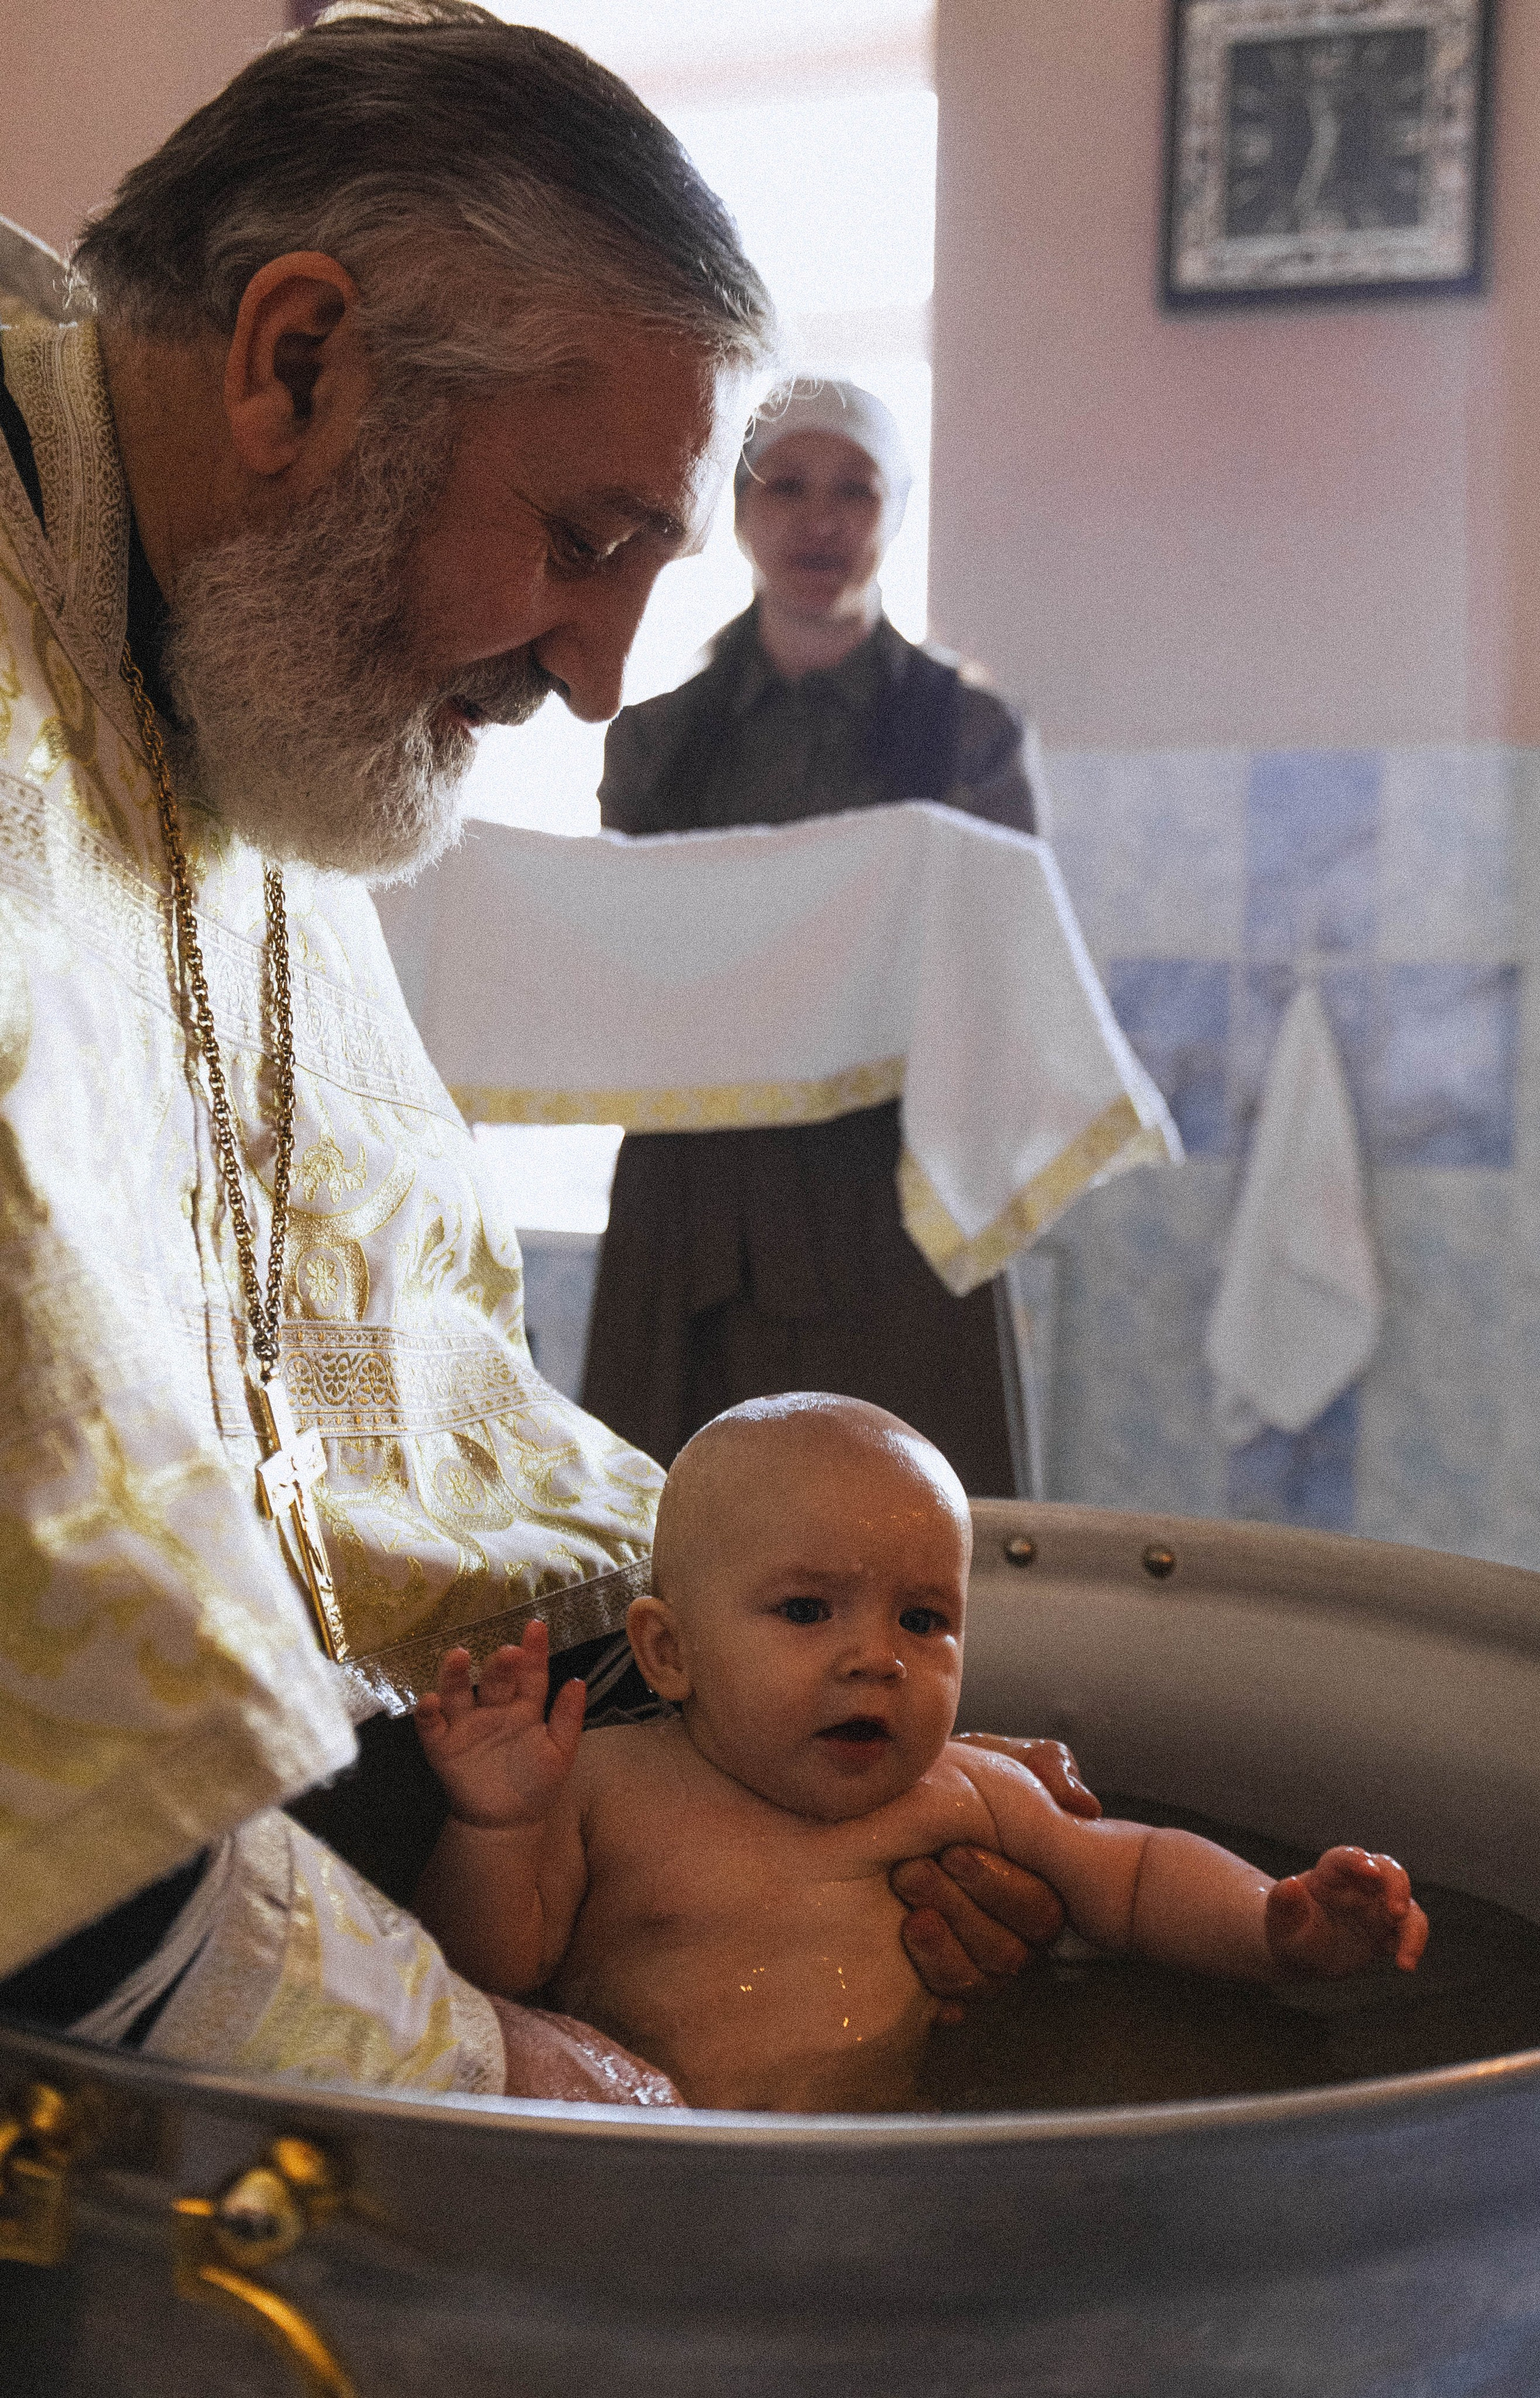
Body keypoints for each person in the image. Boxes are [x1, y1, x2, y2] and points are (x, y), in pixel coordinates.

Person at [0, 1, 1090, 2102]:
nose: (600, 680)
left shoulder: (228, 633)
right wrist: (484, 2060)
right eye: (586, 538)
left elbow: (389, 1398)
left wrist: (777, 1789)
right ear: (295, 363)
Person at [413, 1394, 1429, 2111]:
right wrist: (495, 1824)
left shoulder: (967, 1794)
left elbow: (1136, 1872)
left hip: (903, 2151)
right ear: (668, 1652)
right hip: (661, 2157)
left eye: (924, 1618)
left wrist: (1277, 1921)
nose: (877, 1659)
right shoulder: (606, 1787)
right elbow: (490, 1972)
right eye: (807, 1611)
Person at [581, 380, 1048, 1500]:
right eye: (786, 485)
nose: (820, 521)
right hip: (696, 1196)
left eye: (856, 490)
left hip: (898, 1193)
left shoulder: (968, 733)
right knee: (683, 1537)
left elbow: (1004, 971)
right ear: (737, 510)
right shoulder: (657, 743)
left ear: (897, 513)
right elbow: (625, 968)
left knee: (912, 1525)